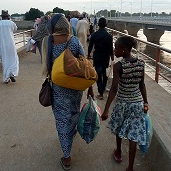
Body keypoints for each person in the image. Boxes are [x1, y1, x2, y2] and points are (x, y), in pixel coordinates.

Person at [41, 14, 94, 170]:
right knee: (73, 112)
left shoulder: (47, 42)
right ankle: (72, 132)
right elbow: (85, 64)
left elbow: (46, 64)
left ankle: (67, 157)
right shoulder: (74, 41)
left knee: (62, 120)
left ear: (53, 27)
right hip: (75, 87)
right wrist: (90, 87)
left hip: (57, 88)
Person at [101, 36, 149, 171]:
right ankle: (130, 167)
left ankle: (119, 152)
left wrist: (106, 110)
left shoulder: (119, 66)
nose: (114, 51)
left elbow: (114, 89)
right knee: (133, 136)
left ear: (124, 50)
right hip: (137, 104)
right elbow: (142, 85)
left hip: (123, 103)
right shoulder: (141, 63)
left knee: (118, 128)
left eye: (116, 48)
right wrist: (145, 102)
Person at [87, 17, 114, 100]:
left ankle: (100, 92)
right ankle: (103, 90)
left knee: (98, 74)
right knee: (104, 74)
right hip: (106, 57)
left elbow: (90, 46)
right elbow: (110, 48)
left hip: (97, 56)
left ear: (98, 24)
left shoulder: (94, 35)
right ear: (106, 25)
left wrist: (88, 55)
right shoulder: (109, 36)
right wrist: (112, 57)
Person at [0, 10, 19, 84]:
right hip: (11, 44)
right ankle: (11, 73)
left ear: (1, 17)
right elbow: (15, 29)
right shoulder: (11, 23)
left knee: (5, 61)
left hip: (1, 45)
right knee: (13, 60)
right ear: (8, 16)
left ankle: (6, 78)